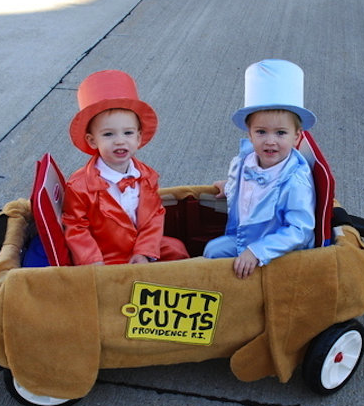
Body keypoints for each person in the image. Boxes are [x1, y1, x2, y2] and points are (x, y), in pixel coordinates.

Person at [62, 70, 189, 265]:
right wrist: (92, 260)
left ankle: (170, 290)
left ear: (138, 138)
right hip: (106, 254)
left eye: (128, 133)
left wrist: (144, 251)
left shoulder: (147, 176)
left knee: (176, 249)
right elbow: (76, 226)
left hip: (139, 246)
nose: (120, 141)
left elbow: (154, 215)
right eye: (108, 135)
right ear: (92, 141)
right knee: (114, 283)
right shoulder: (79, 185)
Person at [204, 59, 316, 278]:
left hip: (278, 251)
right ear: (250, 134)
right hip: (247, 236)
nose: (270, 141)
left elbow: (299, 230)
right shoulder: (248, 161)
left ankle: (242, 298)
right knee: (211, 251)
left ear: (297, 136)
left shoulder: (294, 181)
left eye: (281, 133)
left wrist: (258, 251)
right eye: (261, 132)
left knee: (218, 262)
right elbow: (250, 191)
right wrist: (230, 188)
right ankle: (224, 293)